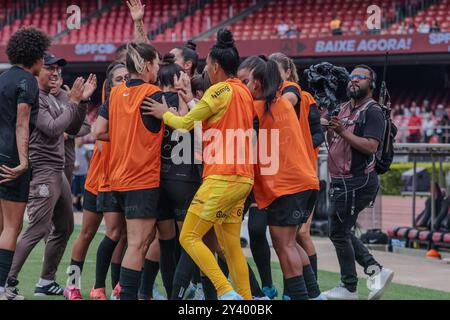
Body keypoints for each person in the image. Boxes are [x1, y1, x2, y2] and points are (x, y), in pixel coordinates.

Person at [143, 29, 255, 300]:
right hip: (243, 179)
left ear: (216, 67)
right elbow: (209, 118)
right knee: (230, 247)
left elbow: (184, 123)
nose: (206, 70)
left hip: (221, 177)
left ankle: (226, 292)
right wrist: (187, 97)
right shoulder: (243, 92)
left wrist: (164, 113)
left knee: (189, 237)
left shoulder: (219, 90)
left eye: (208, 66)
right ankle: (246, 301)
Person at [7, 53, 97, 297]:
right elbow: (53, 128)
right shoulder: (35, 97)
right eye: (50, 68)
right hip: (43, 169)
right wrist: (73, 101)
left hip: (59, 170)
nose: (56, 72)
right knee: (37, 227)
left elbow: (75, 127)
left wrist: (82, 102)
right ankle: (7, 280)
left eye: (58, 68)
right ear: (38, 71)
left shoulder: (55, 98)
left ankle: (46, 281)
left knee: (66, 226)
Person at [238, 55, 323, 300]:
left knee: (284, 244)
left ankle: (301, 296)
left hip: (289, 187)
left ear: (256, 83)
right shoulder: (281, 103)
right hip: (303, 183)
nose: (242, 87)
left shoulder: (258, 108)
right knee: (291, 243)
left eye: (245, 81)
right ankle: (315, 295)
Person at [95, 42, 163, 300]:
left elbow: (98, 131)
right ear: (146, 65)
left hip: (117, 179)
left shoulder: (114, 93)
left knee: (134, 242)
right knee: (137, 244)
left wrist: (124, 135)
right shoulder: (152, 93)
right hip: (142, 179)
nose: (157, 68)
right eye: (156, 63)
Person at [323, 65, 394, 300]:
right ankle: (374, 272)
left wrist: (342, 132)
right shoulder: (343, 108)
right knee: (340, 231)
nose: (354, 81)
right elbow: (333, 140)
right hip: (341, 181)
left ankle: (351, 286)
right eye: (351, 77)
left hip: (358, 181)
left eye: (361, 78)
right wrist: (330, 128)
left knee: (339, 232)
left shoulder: (372, 111)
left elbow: (371, 146)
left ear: (371, 84)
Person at [64, 61, 129, 301]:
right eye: (118, 79)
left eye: (126, 78)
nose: (123, 82)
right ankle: (72, 285)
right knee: (88, 233)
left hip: (120, 181)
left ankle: (115, 287)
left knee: (121, 235)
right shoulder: (108, 109)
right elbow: (102, 144)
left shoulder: (131, 108)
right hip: (99, 182)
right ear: (109, 86)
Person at [0, 27, 50, 300]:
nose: (44, 61)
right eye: (42, 55)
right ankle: (1, 288)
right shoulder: (27, 81)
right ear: (34, 56)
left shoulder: (3, 78)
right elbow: (22, 123)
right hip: (12, 157)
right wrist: (23, 161)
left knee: (0, 226)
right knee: (12, 227)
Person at [71, 138, 90, 212]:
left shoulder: (85, 149)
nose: (80, 141)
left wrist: (88, 170)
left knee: (83, 191)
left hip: (83, 173)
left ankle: (81, 205)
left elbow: (89, 160)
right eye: (79, 139)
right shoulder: (73, 149)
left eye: (81, 140)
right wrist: (73, 166)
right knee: (75, 191)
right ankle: (75, 205)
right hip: (75, 173)